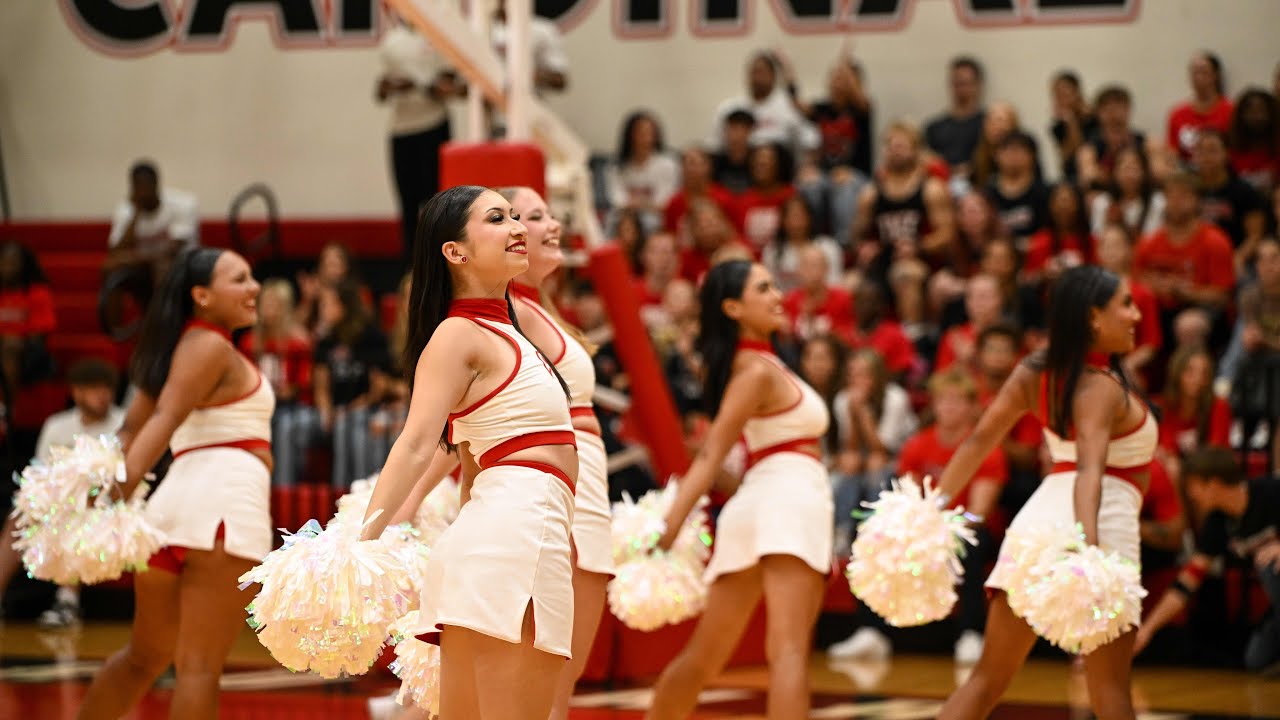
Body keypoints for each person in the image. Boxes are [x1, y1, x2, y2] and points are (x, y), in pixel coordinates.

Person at [356, 186, 578, 720]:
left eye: (515, 217)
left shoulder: (504, 331)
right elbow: (416, 442)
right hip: (515, 539)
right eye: (498, 219)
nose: (517, 228)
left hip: (498, 540)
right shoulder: (459, 333)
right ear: (455, 252)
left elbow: (472, 463)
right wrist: (358, 544)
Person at [933, 264, 1155, 720]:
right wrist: (1089, 554)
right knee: (1111, 692)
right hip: (1096, 526)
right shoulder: (1100, 387)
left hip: (1034, 532)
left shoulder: (1036, 371)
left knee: (986, 681)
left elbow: (977, 442)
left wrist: (927, 511)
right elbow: (1089, 471)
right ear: (1093, 317)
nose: (1136, 315)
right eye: (1126, 304)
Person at [77, 247, 271, 720]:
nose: (254, 287)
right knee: (198, 668)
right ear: (201, 295)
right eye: (239, 279)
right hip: (222, 512)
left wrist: (105, 498)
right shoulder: (210, 346)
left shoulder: (175, 350)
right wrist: (109, 504)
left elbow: (130, 429)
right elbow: (162, 422)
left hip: (169, 514)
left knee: (144, 657)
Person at [646, 260, 832, 719]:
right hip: (790, 501)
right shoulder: (756, 372)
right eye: (763, 288)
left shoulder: (761, 364)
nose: (777, 296)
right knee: (788, 652)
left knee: (705, 656)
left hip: (756, 504)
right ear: (733, 308)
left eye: (774, 285)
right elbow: (711, 453)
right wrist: (669, 526)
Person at [0, 359, 124, 628]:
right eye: (94, 388)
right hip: (60, 501)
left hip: (107, 503)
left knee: (77, 513)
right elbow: (40, 472)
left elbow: (125, 475)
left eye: (107, 388)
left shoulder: (123, 423)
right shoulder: (57, 425)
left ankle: (67, 601)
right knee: (18, 517)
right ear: (76, 391)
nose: (103, 395)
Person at [1134, 447, 1280, 674]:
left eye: (1193, 487)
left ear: (1213, 483)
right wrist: (1148, 629)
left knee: (1270, 564)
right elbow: (1186, 583)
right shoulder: (1218, 522)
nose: (1191, 496)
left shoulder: (1270, 491)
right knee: (1256, 660)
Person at [377, 14, 463, 257]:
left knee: (437, 202)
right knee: (407, 203)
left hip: (434, 125)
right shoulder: (392, 41)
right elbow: (381, 89)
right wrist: (392, 86)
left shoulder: (439, 37)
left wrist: (425, 86)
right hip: (402, 129)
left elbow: (449, 83)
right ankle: (411, 264)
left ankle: (440, 259)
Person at [105, 161, 199, 311]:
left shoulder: (182, 203)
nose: (143, 192)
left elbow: (175, 248)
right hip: (144, 266)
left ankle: (163, 320)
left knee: (163, 265)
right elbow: (116, 250)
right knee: (110, 267)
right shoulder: (126, 209)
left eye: (146, 186)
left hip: (181, 263)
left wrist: (135, 257)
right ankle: (114, 325)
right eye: (138, 187)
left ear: (156, 184)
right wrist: (136, 213)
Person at [925, 56, 986, 177]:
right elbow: (926, 159)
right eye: (958, 83)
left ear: (978, 85)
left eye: (967, 83)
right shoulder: (934, 127)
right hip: (942, 181)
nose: (962, 88)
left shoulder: (987, 125)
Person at [1167, 51, 1234, 162]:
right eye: (1194, 72)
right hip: (1188, 170)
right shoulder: (1177, 114)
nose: (1198, 77)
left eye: (1204, 72)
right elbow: (1173, 154)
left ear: (1216, 75)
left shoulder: (1230, 111)